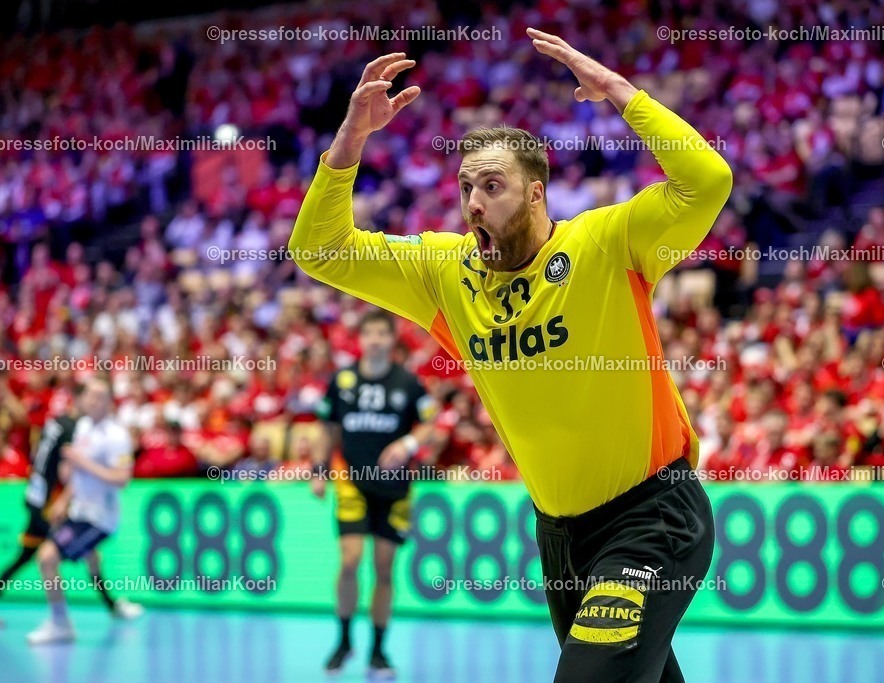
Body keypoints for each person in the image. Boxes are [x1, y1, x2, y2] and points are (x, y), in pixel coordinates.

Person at [291, 28, 731, 683]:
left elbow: (707, 180)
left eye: (492, 186)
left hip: (652, 516)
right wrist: (350, 141)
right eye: (466, 186)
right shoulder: (444, 271)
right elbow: (317, 251)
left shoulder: (605, 243)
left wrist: (620, 93)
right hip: (560, 536)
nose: (473, 203)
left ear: (535, 193)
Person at [311, 309, 438, 678]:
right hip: (351, 481)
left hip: (395, 488)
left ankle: (378, 651)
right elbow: (327, 429)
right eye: (370, 334)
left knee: (384, 568)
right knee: (350, 560)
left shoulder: (408, 383)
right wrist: (319, 470)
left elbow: (430, 424)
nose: (376, 341)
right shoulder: (342, 380)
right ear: (361, 339)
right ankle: (343, 641)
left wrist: (407, 443)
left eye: (383, 334)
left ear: (392, 339)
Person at [0, 397, 142, 627]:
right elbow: (66, 469)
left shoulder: (54, 423)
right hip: (47, 503)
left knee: (75, 555)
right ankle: (67, 618)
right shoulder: (76, 429)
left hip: (35, 494)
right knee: (50, 556)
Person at [26, 377, 136, 645]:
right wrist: (64, 499)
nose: (94, 401)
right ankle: (113, 605)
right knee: (92, 559)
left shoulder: (117, 435)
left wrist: (81, 462)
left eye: (101, 396)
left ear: (110, 402)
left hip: (100, 518)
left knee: (47, 558)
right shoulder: (83, 426)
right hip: (78, 511)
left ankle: (60, 623)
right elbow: (75, 474)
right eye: (91, 395)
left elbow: (122, 478)